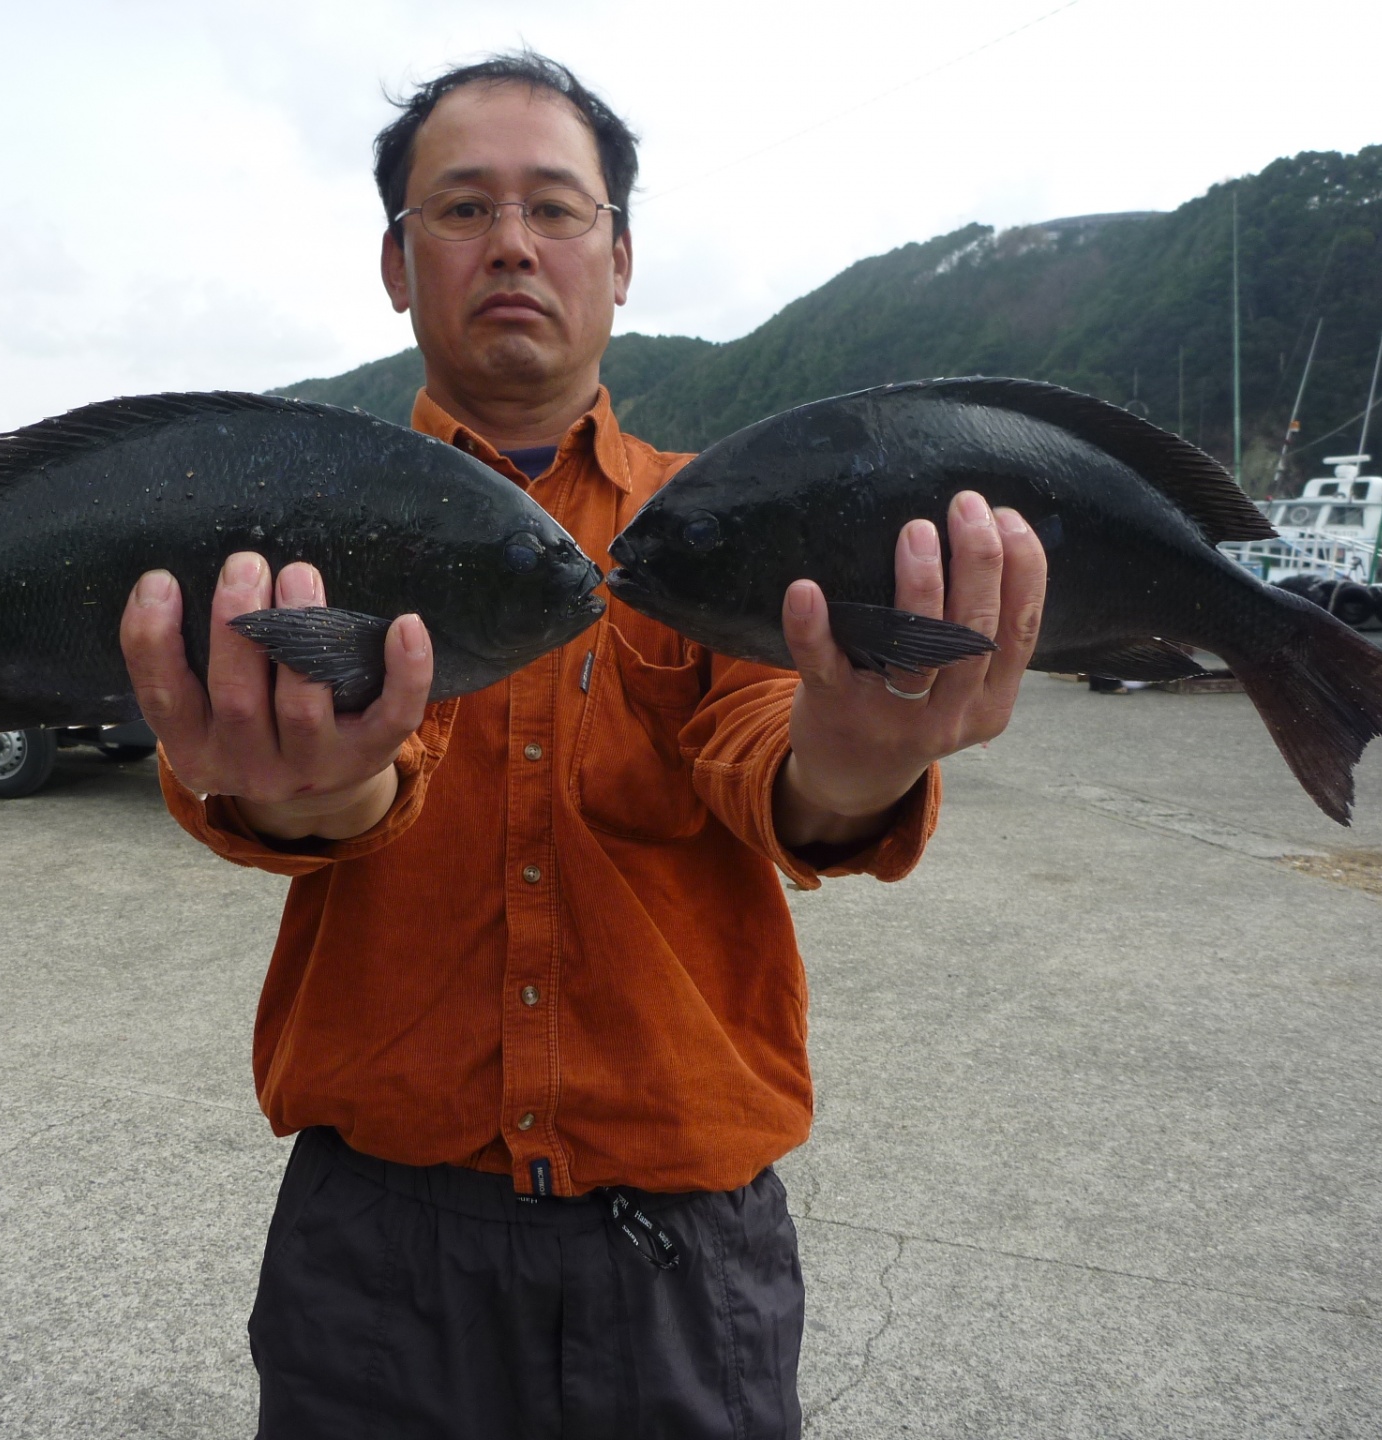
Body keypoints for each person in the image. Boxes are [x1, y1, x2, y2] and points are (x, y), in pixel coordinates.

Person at [119, 51, 1046, 1439]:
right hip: (375, 1249)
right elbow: (297, 784)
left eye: (555, 208)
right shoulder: (302, 514)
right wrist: (314, 792)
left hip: (682, 1258)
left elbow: (770, 753)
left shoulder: (728, 519)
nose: (512, 243)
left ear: (619, 259)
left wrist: (858, 765)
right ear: (396, 264)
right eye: (462, 208)